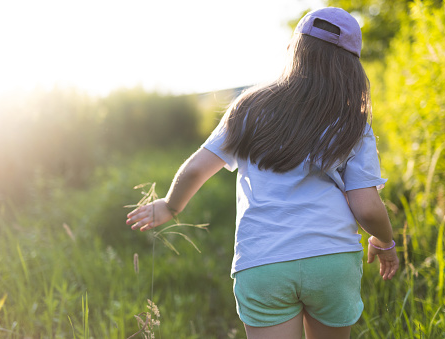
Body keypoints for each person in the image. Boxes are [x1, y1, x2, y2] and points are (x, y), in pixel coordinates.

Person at [126, 7, 399, 339]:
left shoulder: (249, 108)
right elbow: (367, 207)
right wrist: (385, 242)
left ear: (294, 51)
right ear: (350, 67)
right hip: (331, 260)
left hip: (263, 261)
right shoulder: (352, 123)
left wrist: (170, 206)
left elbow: (197, 168)